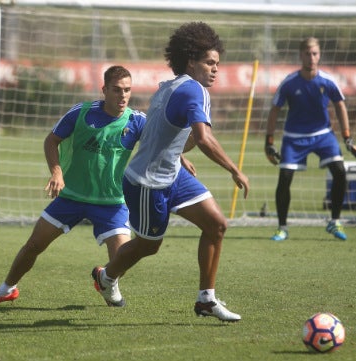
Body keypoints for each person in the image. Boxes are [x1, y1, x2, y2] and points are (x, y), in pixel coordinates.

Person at [91, 22, 249, 322]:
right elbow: (202, 138)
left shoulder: (170, 86)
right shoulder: (193, 90)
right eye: (209, 63)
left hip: (173, 173)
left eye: (218, 64)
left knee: (216, 224)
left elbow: (172, 134)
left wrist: (179, 157)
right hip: (147, 182)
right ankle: (106, 276)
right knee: (149, 246)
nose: (215, 69)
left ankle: (206, 299)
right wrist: (234, 169)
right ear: (191, 61)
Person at [0, 65, 151, 307]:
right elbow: (51, 140)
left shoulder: (137, 121)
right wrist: (56, 171)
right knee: (34, 245)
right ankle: (6, 289)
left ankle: (106, 280)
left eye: (127, 90)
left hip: (111, 202)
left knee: (124, 258)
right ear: (104, 90)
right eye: (117, 90)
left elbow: (159, 141)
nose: (123, 96)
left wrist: (181, 156)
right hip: (71, 197)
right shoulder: (80, 113)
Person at [264, 37, 356, 242]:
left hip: (323, 135)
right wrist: (269, 141)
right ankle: (282, 228)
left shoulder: (328, 81)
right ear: (301, 55)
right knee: (285, 178)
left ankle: (334, 222)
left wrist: (347, 137)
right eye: (307, 53)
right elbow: (274, 109)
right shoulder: (290, 82)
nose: (311, 57)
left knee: (340, 171)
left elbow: (340, 105)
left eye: (315, 53)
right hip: (294, 138)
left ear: (319, 55)